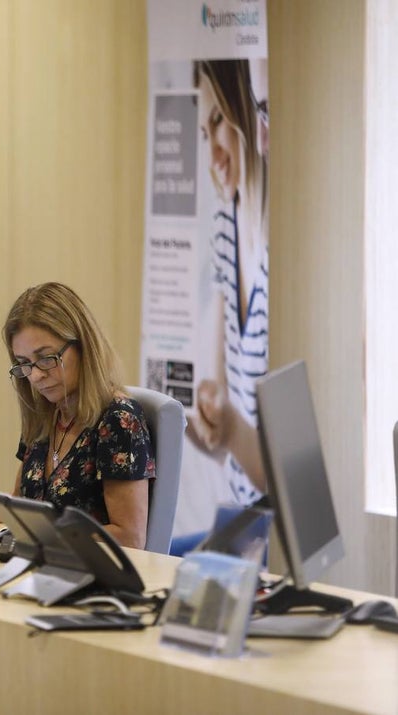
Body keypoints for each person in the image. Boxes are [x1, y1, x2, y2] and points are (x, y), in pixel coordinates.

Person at [0, 282, 153, 549]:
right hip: (42, 568)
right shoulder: (44, 415)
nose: (35, 375)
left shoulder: (118, 421)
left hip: (93, 580)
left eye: (46, 358)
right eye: (23, 363)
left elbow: (130, 538)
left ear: (83, 345)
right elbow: (22, 501)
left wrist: (45, 537)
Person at [187, 59, 269, 503]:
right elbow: (211, 403)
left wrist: (229, 427)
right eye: (203, 133)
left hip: (275, 527)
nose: (213, 153)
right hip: (240, 512)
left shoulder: (285, 247)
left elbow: (282, 480)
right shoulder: (226, 221)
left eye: (217, 120)